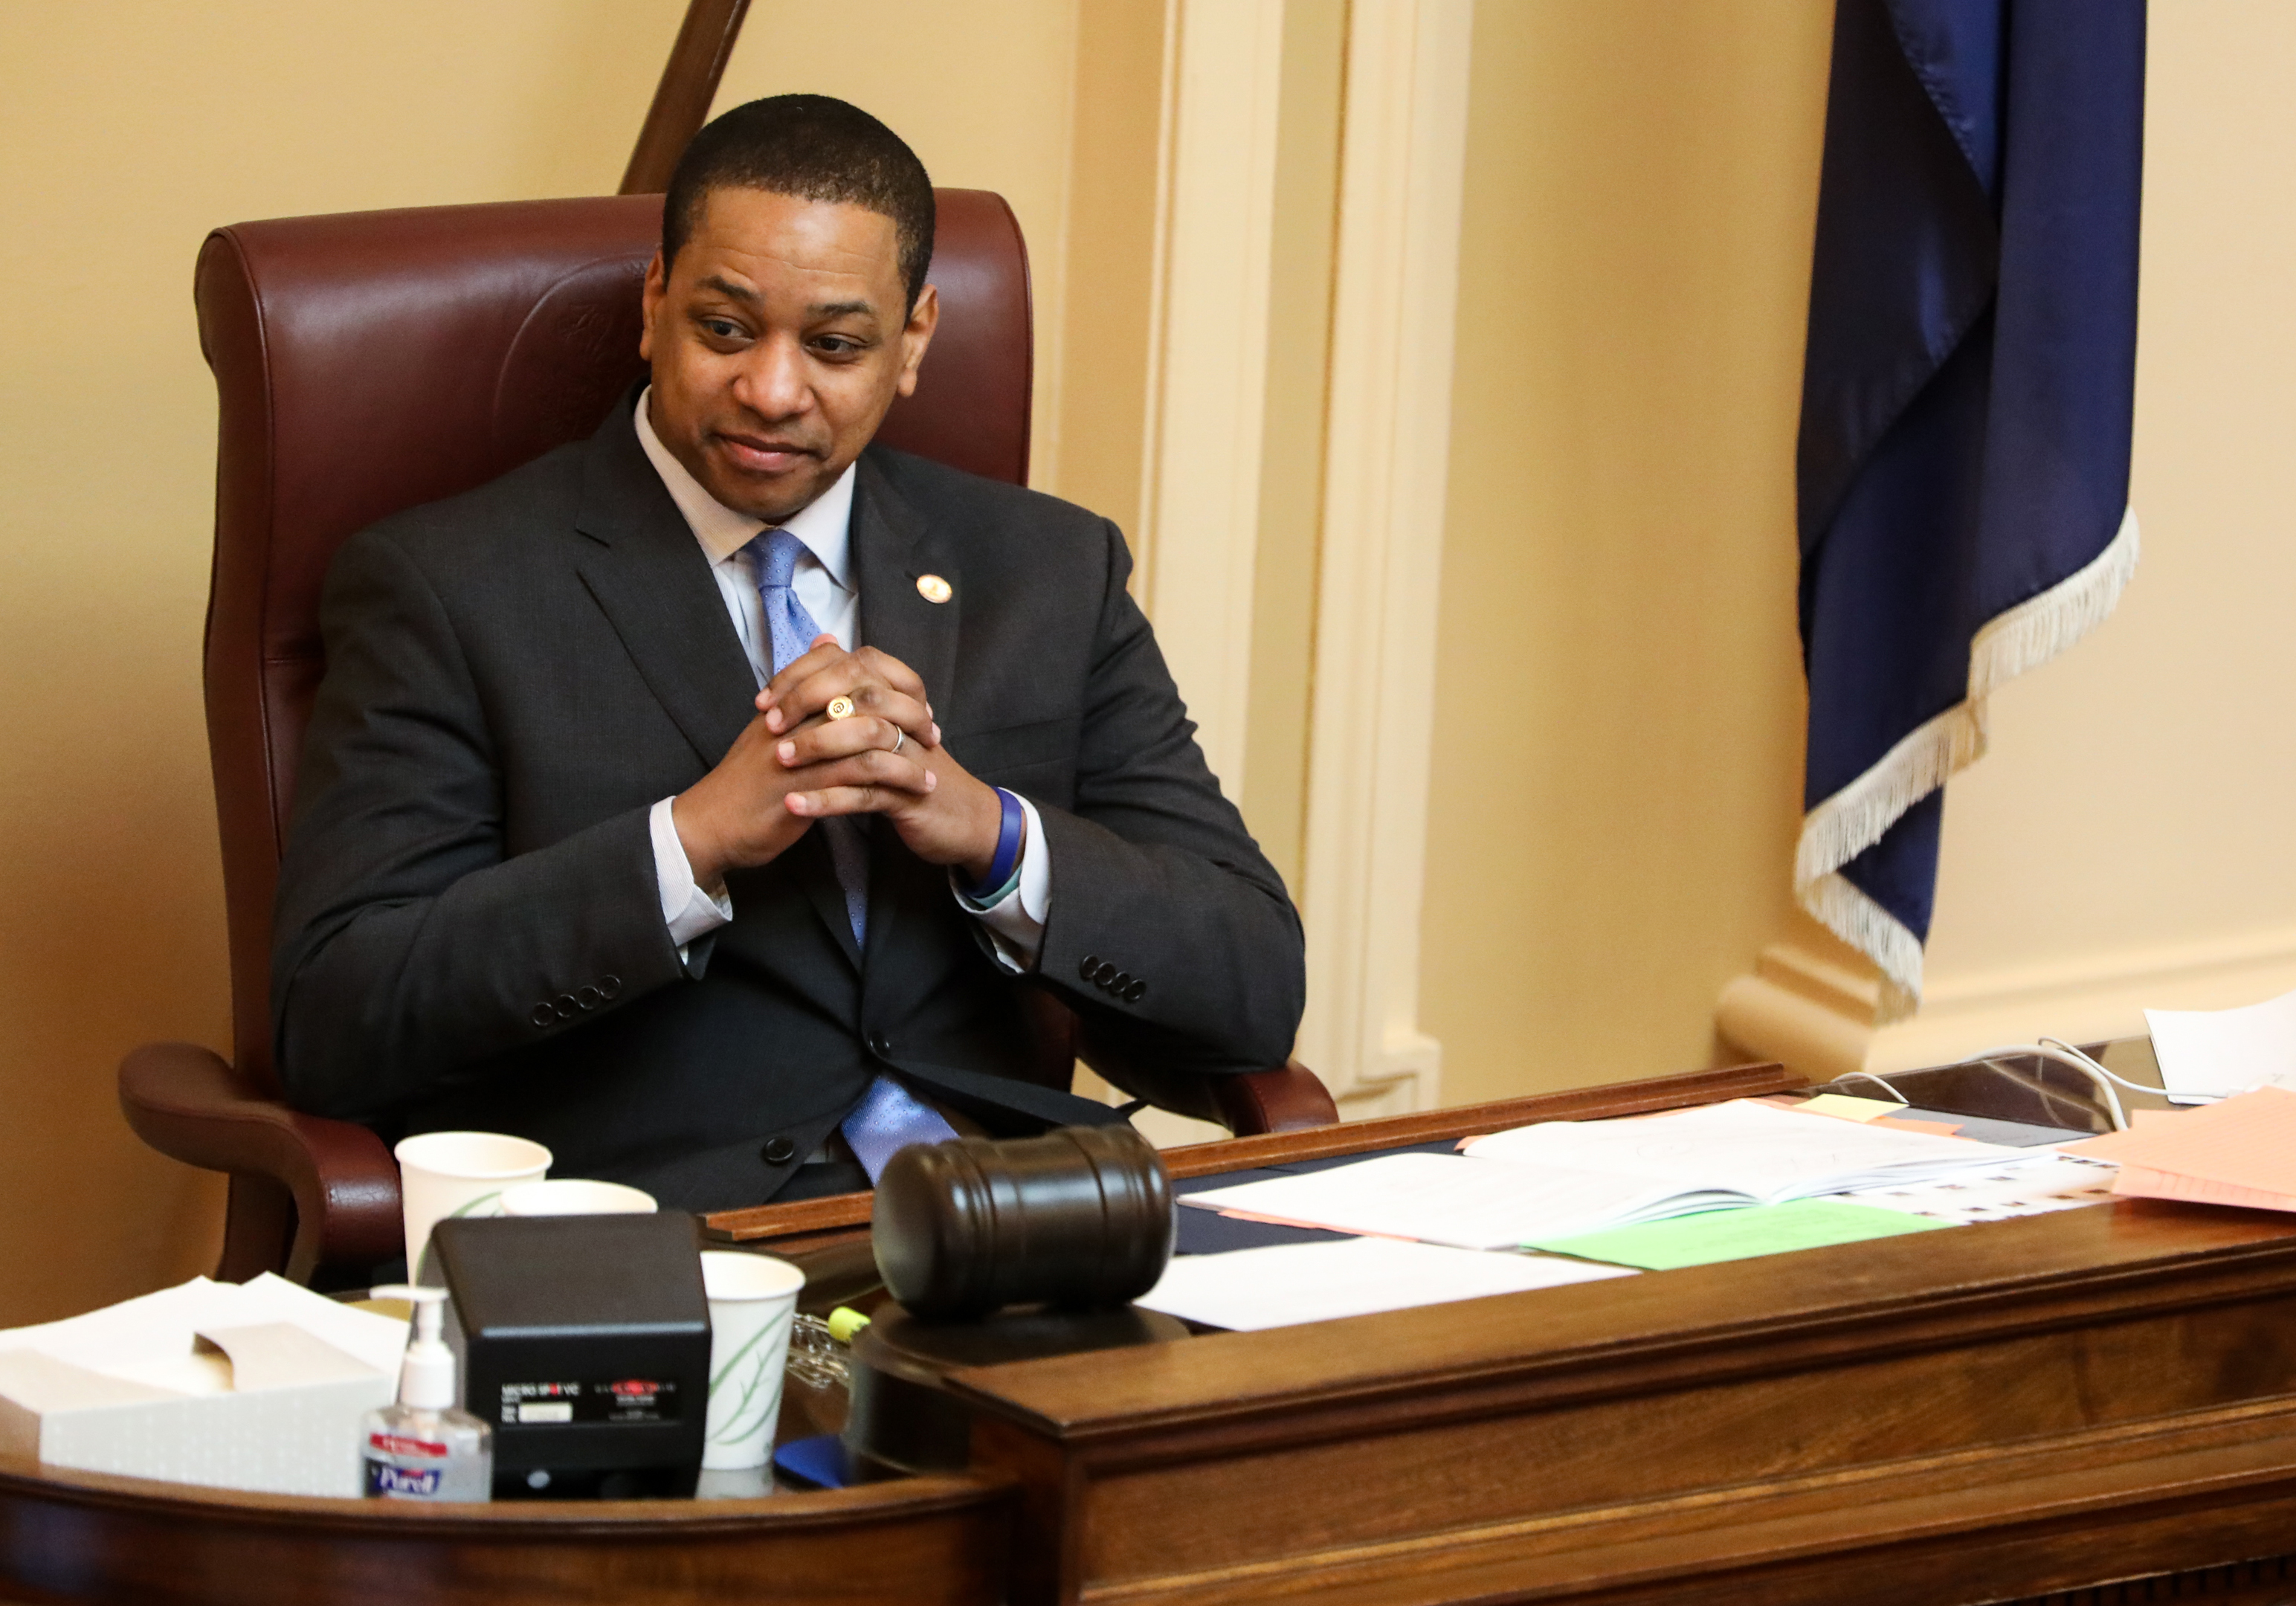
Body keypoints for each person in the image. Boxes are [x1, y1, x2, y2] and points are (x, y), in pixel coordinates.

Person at [270, 94, 1305, 1212]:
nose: (771, 390)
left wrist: (991, 833)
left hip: (1013, 1226)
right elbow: (340, 1022)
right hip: (663, 1249)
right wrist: (694, 840)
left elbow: (1250, 984)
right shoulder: (448, 584)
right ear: (655, 302)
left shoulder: (1050, 570)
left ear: (913, 343)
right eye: (724, 329)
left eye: (836, 345)